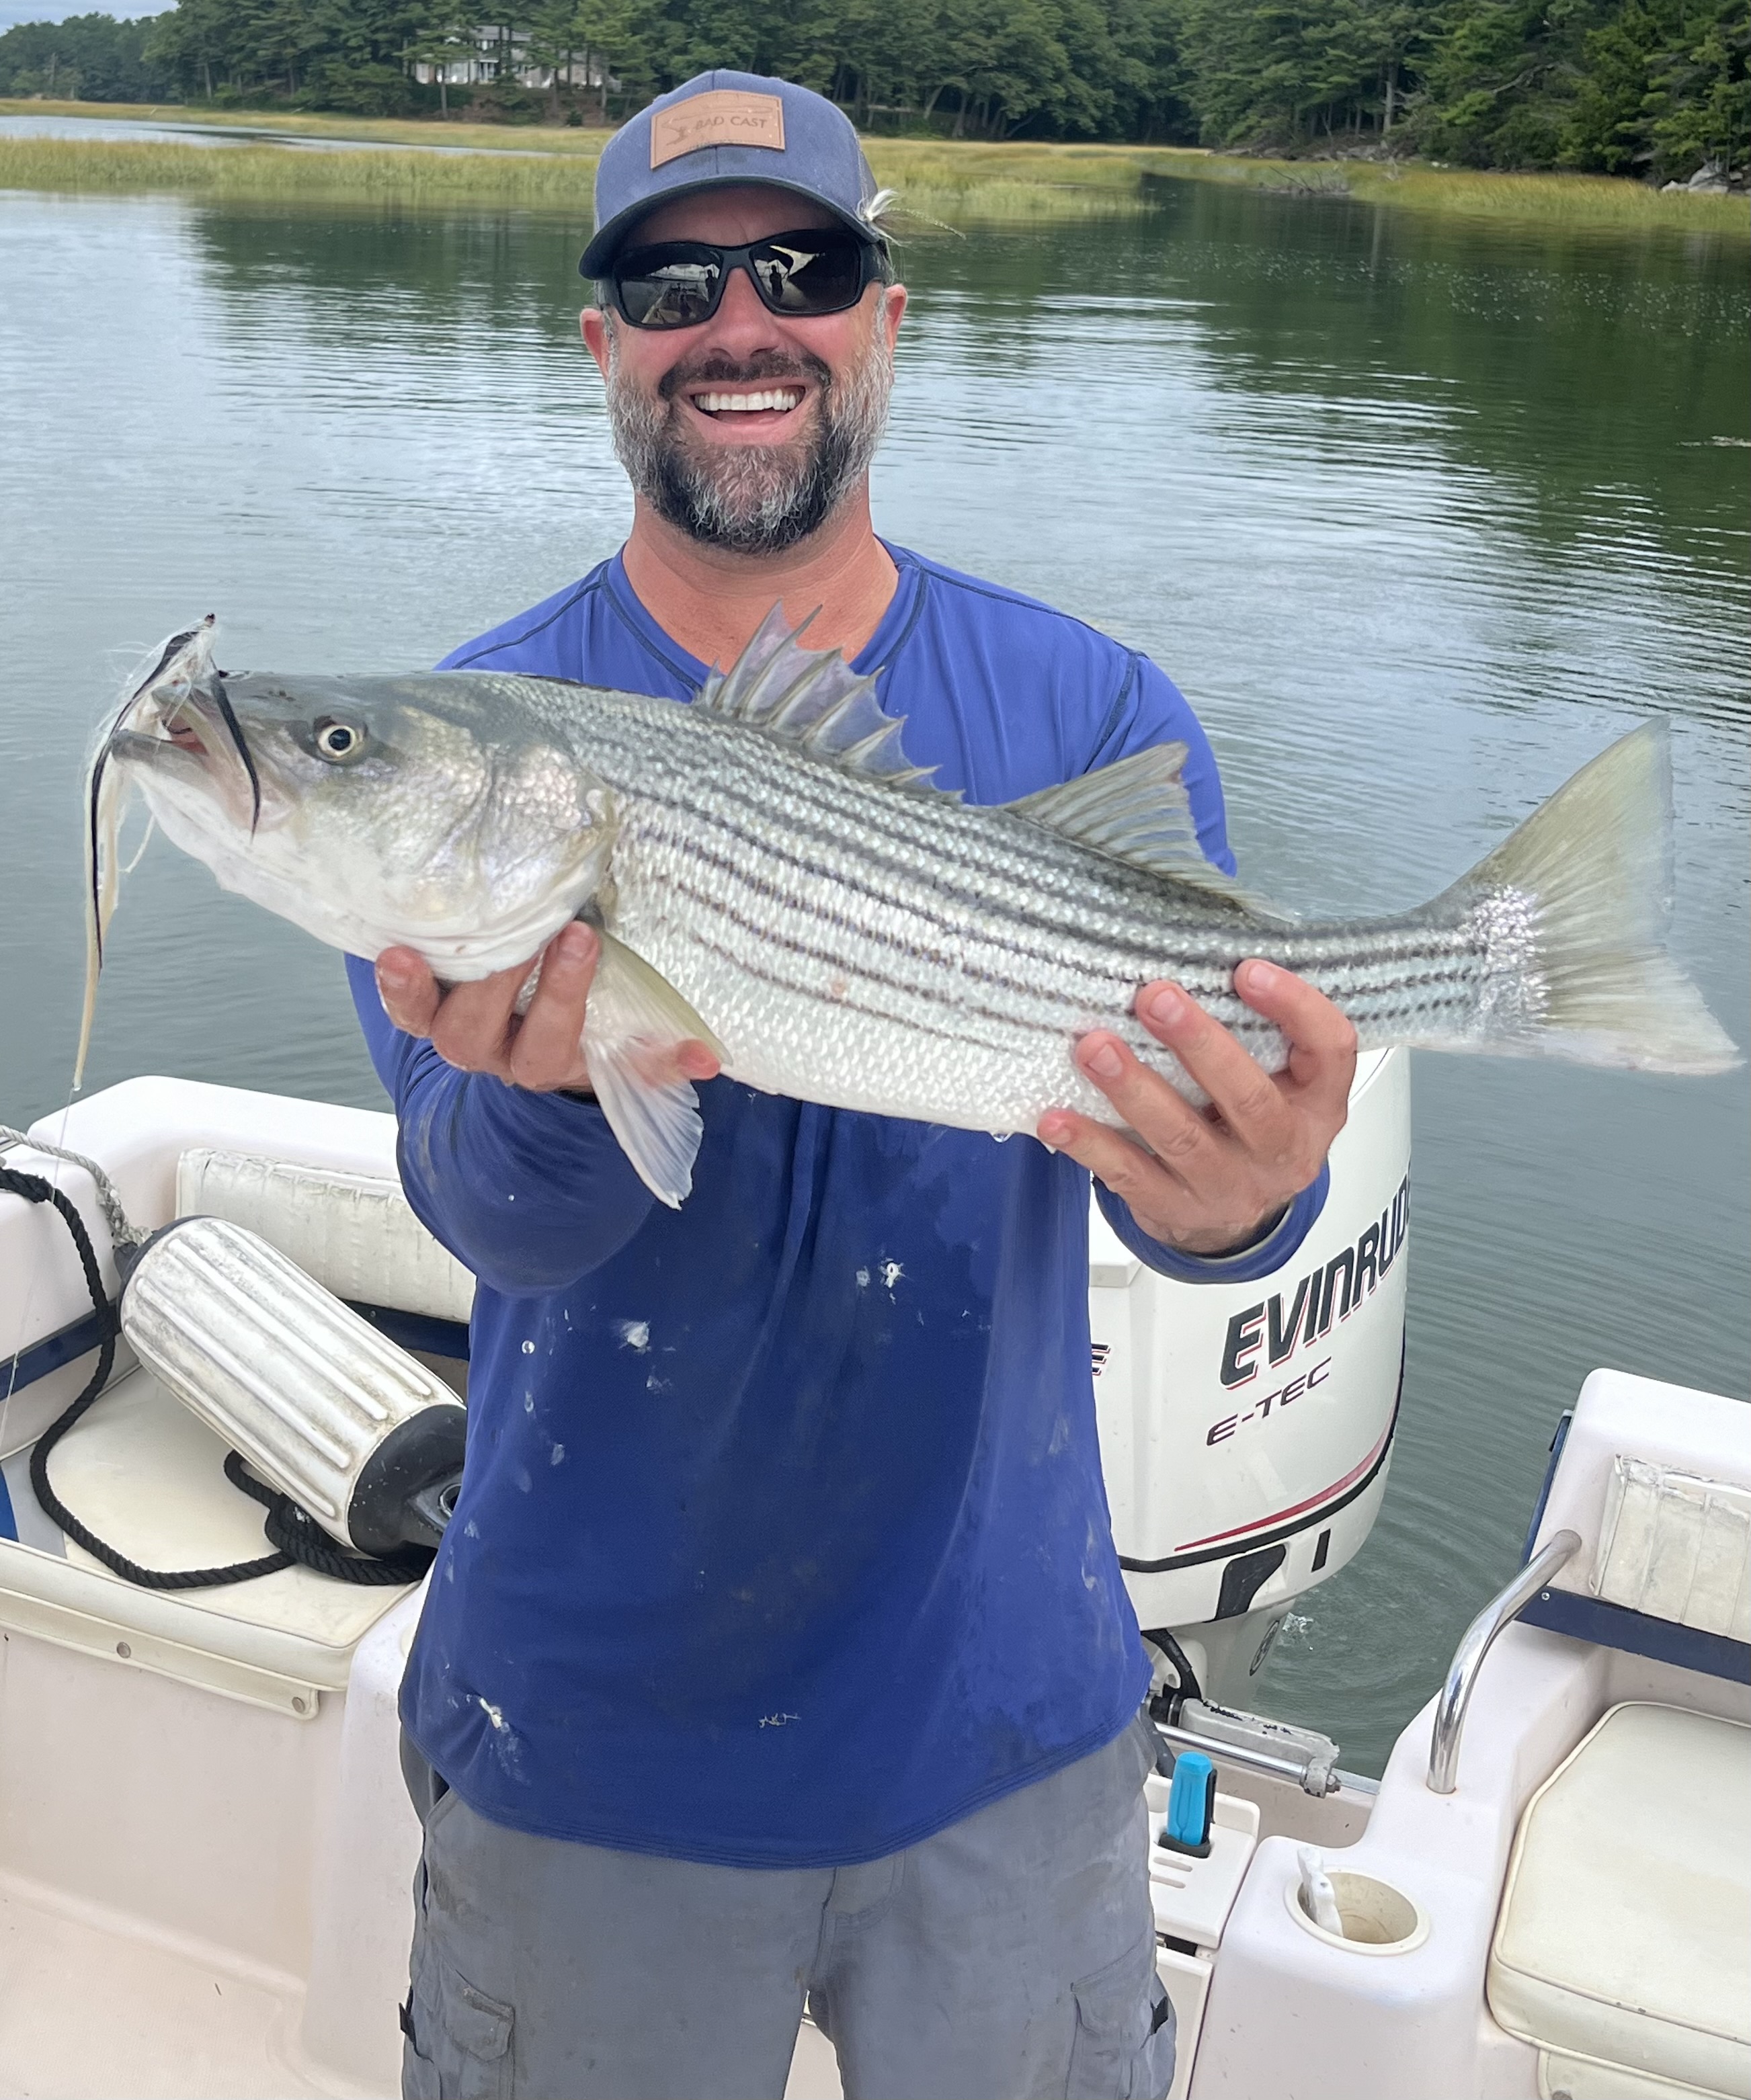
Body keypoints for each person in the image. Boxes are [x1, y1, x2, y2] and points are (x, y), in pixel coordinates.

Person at [354, 69, 1357, 2100]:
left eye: (800, 268)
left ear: (882, 320)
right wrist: (551, 1090)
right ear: (605, 345)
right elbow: (499, 1220)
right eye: (673, 279)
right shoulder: (465, 749)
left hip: (1009, 1720)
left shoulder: (1091, 706)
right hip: (591, 1733)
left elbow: (1206, 1203)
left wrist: (1247, 1197)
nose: (743, 321)